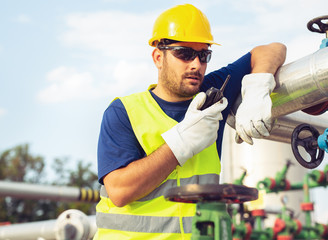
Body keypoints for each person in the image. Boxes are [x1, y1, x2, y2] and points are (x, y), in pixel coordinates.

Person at [94, 3, 286, 240]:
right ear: (158, 57)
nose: (196, 64)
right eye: (184, 53)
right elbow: (120, 191)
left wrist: (258, 86)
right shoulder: (124, 111)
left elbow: (272, 49)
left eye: (204, 55)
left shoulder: (213, 94)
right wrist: (181, 143)